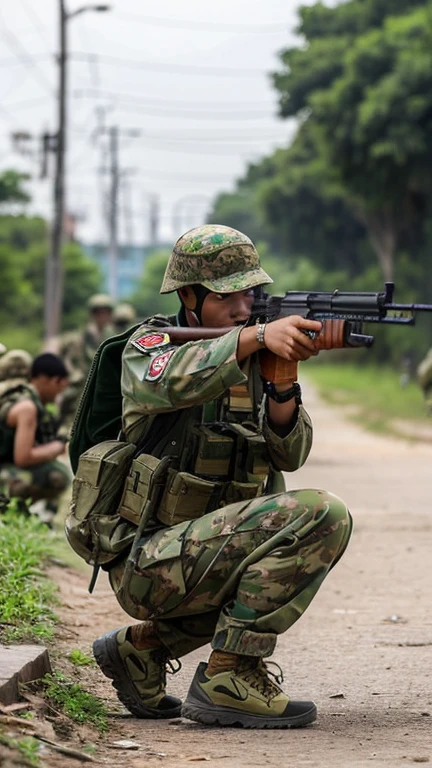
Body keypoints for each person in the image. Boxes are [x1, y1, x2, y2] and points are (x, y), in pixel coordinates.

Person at [91, 224, 352, 729]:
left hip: (207, 554)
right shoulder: (149, 346)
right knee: (322, 514)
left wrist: (281, 384)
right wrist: (254, 337)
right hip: (146, 559)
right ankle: (227, 677)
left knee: (276, 562)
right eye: (228, 296)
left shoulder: (252, 358)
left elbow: (290, 453)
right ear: (188, 295)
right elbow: (173, 379)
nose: (243, 307)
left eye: (251, 294)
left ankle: (139, 651)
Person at [0, 352, 70, 518]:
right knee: (57, 474)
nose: (58, 394)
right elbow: (23, 458)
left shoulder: (15, 397)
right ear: (47, 380)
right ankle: (12, 512)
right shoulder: (27, 407)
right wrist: (57, 446)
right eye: (58, 386)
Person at [58, 294, 114, 433]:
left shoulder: (112, 336)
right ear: (93, 314)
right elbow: (62, 360)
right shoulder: (78, 338)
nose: (102, 316)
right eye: (98, 312)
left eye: (106, 312)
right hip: (80, 386)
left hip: (103, 387)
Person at [417, 347, 432, 414]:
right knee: (427, 396)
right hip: (427, 379)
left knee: (427, 396)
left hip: (426, 379)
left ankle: (428, 408)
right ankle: (429, 408)